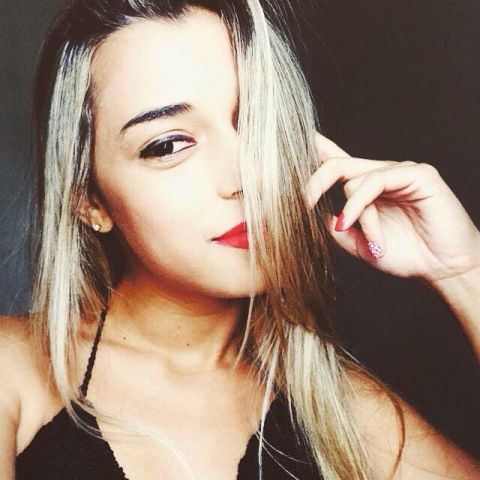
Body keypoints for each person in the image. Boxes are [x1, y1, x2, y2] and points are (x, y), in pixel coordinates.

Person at [1, 0, 479, 479]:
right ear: (90, 200)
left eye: (256, 121)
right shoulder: (14, 370)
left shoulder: (341, 410)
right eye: (168, 144)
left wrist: (463, 270)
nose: (246, 176)